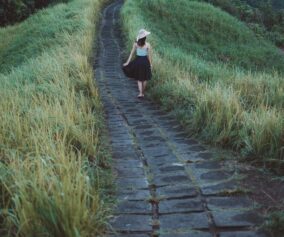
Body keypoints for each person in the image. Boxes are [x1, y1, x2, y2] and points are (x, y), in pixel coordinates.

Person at [123, 29, 152, 98]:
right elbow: (149, 56)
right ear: (145, 37)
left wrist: (127, 62)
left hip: (138, 61)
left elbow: (131, 54)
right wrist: (150, 64)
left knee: (139, 79)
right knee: (145, 78)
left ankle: (140, 93)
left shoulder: (136, 44)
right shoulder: (148, 45)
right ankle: (143, 92)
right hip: (145, 61)